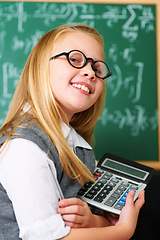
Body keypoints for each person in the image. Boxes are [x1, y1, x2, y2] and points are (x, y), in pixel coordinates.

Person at [0, 23, 144, 240]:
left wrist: (96, 220)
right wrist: (123, 230)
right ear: (41, 67)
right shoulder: (25, 147)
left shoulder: (75, 144)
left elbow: (79, 223)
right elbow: (49, 238)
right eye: (74, 59)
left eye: (97, 68)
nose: (90, 72)